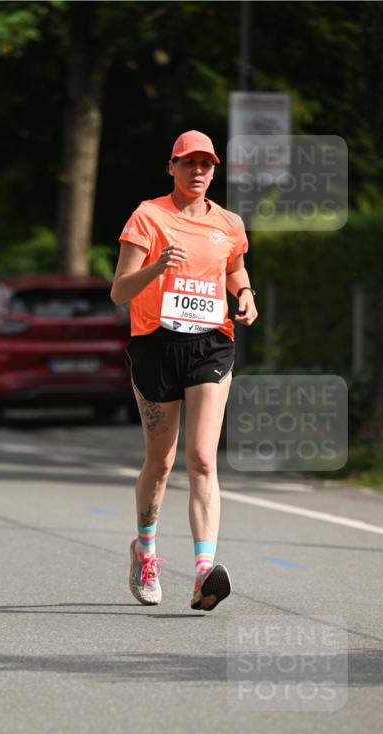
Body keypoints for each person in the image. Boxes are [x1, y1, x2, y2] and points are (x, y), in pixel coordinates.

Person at [111, 130, 257, 612]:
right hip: (156, 345)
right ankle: (146, 551)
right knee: (162, 460)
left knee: (202, 458)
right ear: (171, 167)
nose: (198, 171)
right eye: (188, 163)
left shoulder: (229, 223)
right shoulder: (148, 216)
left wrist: (246, 295)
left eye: (206, 164)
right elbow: (119, 292)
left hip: (211, 345)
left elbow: (234, 267)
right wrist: (157, 268)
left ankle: (203, 573)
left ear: (215, 171)